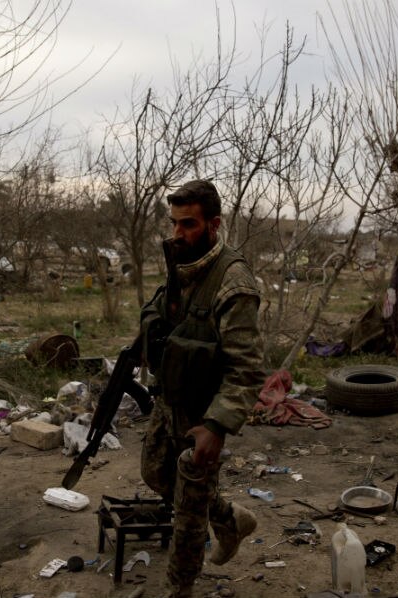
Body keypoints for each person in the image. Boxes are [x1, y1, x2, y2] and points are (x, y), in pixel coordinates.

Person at [139, 179, 265, 597]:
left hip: (204, 414)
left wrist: (217, 425)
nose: (178, 233)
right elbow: (165, 316)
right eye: (174, 223)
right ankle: (230, 518)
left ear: (214, 225)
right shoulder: (182, 263)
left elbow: (245, 369)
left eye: (188, 224)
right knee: (156, 474)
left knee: (188, 516)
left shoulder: (234, 283)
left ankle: (181, 589)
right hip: (170, 400)